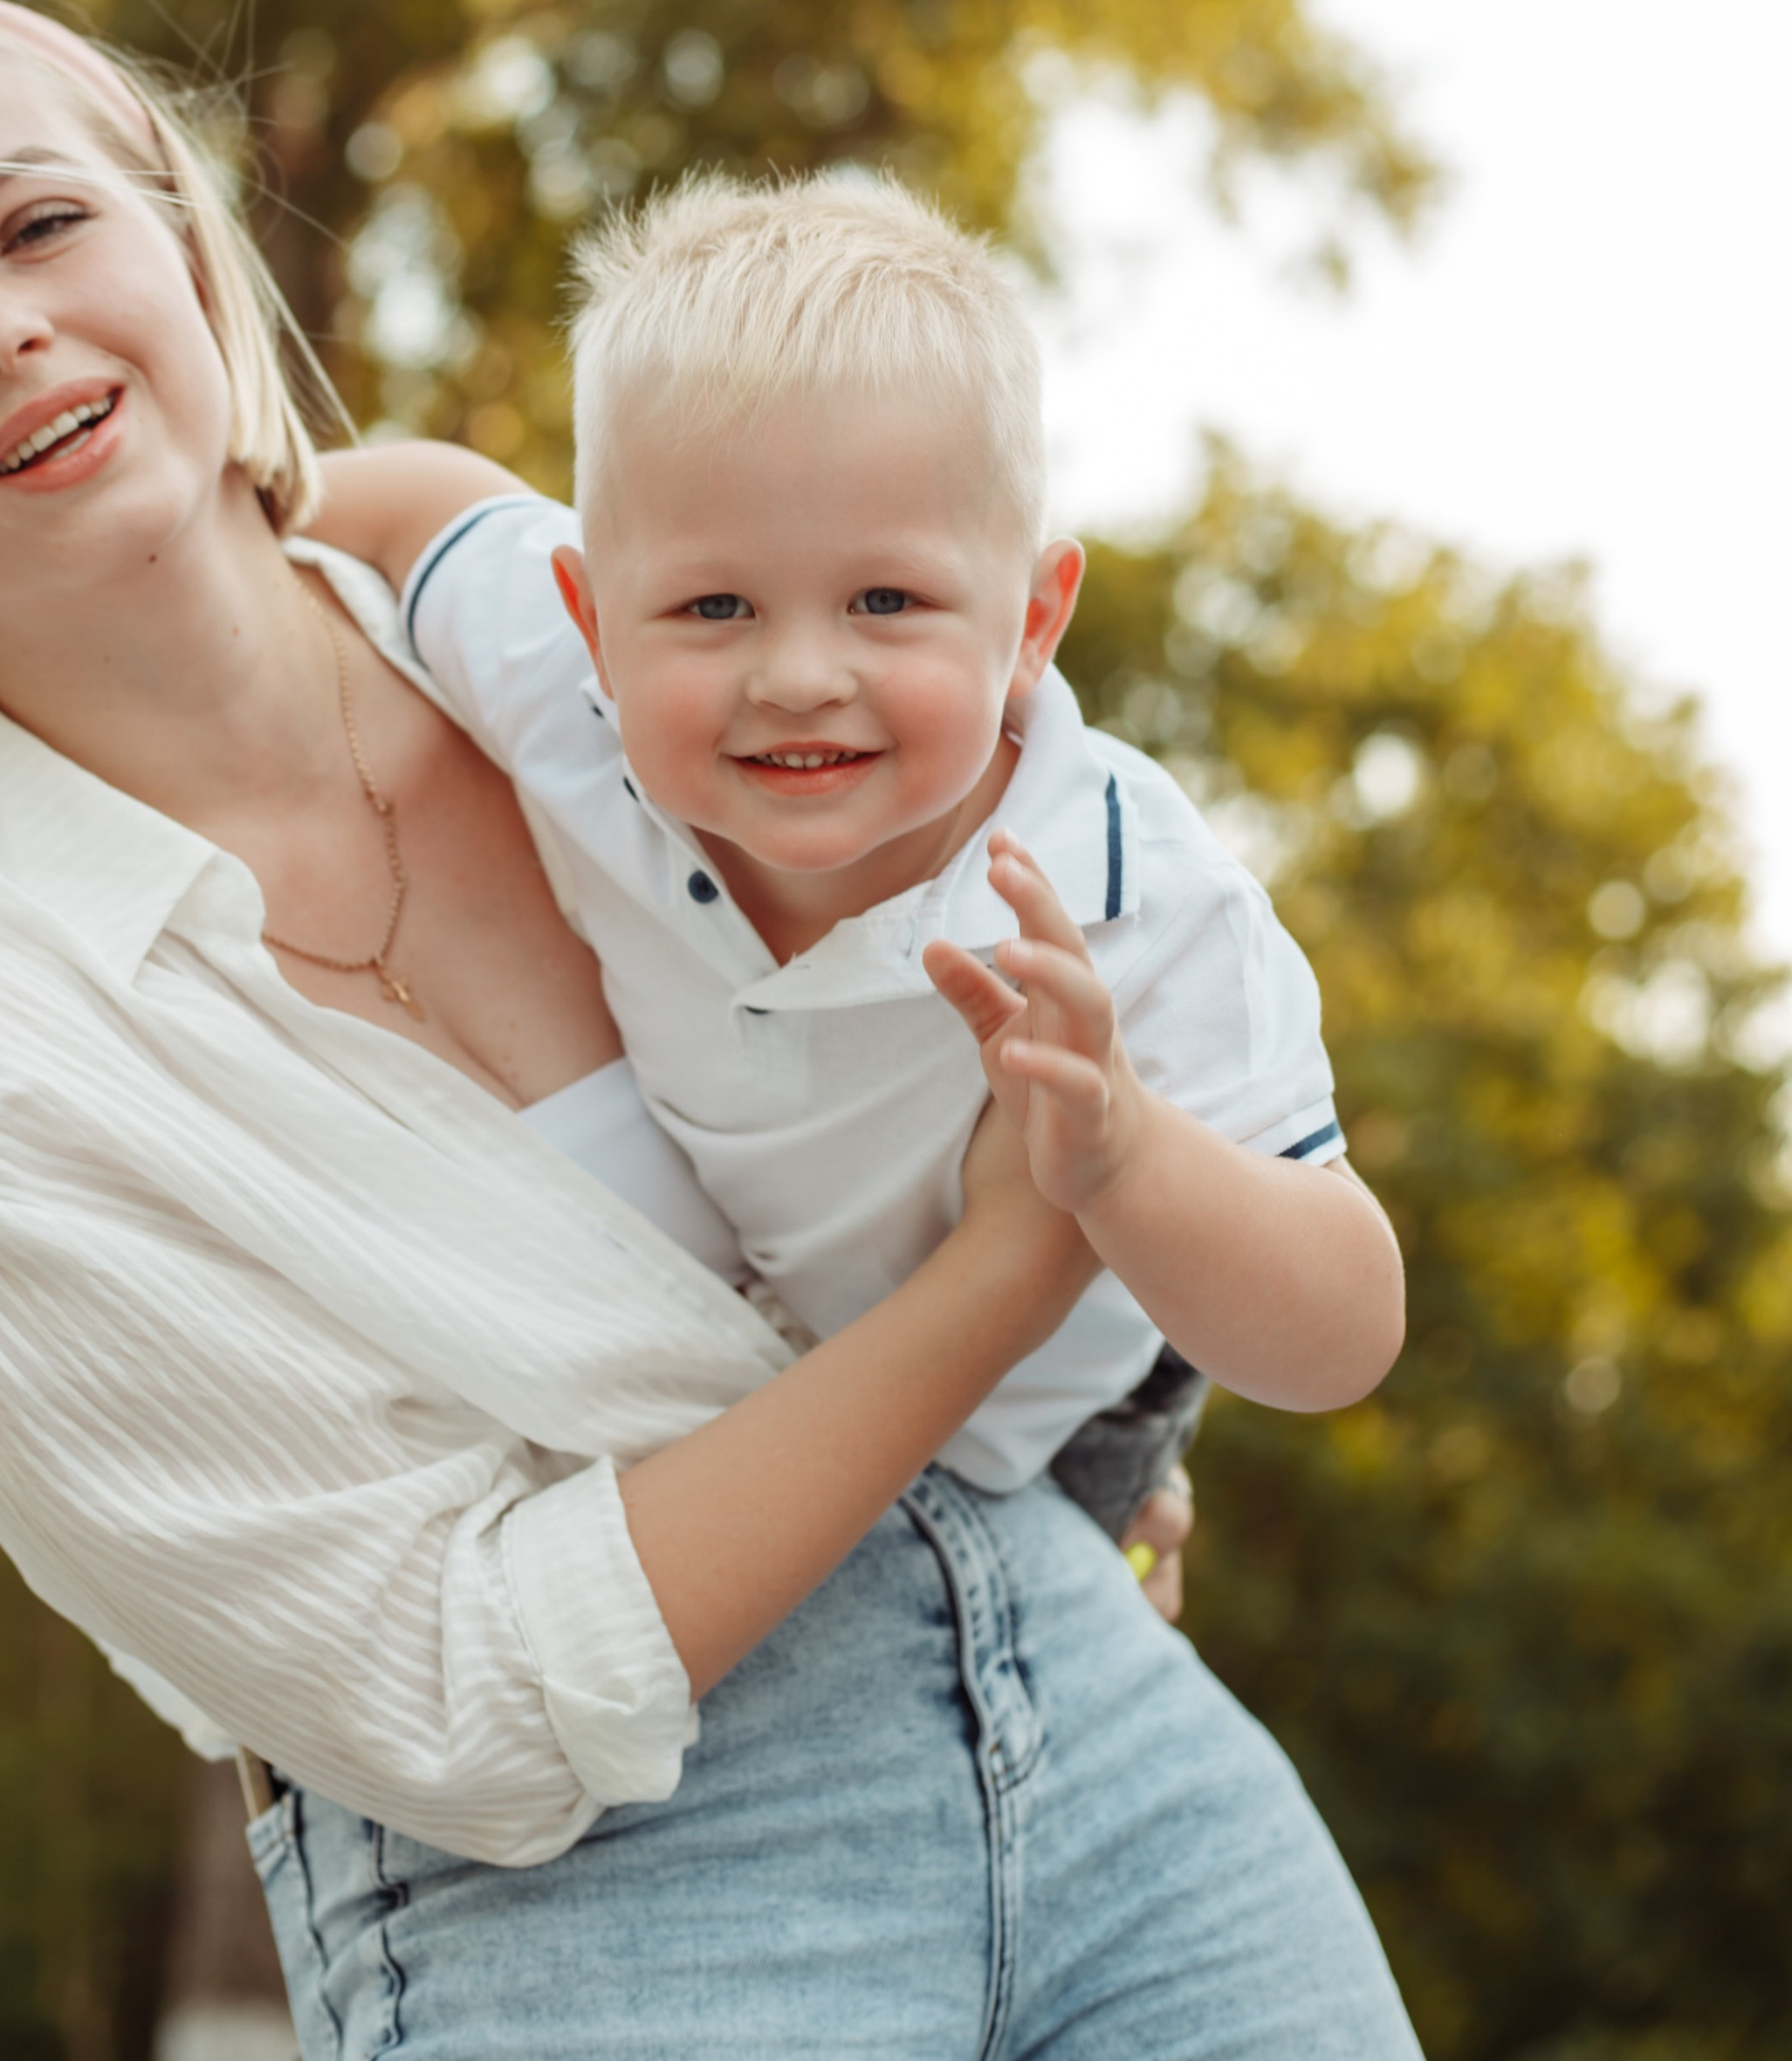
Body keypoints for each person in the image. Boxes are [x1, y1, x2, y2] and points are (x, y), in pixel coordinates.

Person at [0, 0, 1532, 2061]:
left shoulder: (535, 610)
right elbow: (460, 1692)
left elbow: (913, 842)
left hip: (1074, 1694)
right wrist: (1006, 1279)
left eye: (42, 220)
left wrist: (1110, 1386)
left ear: (180, 233)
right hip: (604, 1879)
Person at [308, 171, 1397, 1542]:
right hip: (774, 1353)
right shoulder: (564, 699)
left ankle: (1139, 1529)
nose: (800, 676)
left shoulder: (1125, 902)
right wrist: (230, 512)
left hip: (1048, 1423)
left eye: (886, 599)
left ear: (1032, 621)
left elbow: (1348, 1329)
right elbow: (416, 503)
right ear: (590, 622)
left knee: (1086, 1547)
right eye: (715, 606)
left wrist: (1126, 1153)